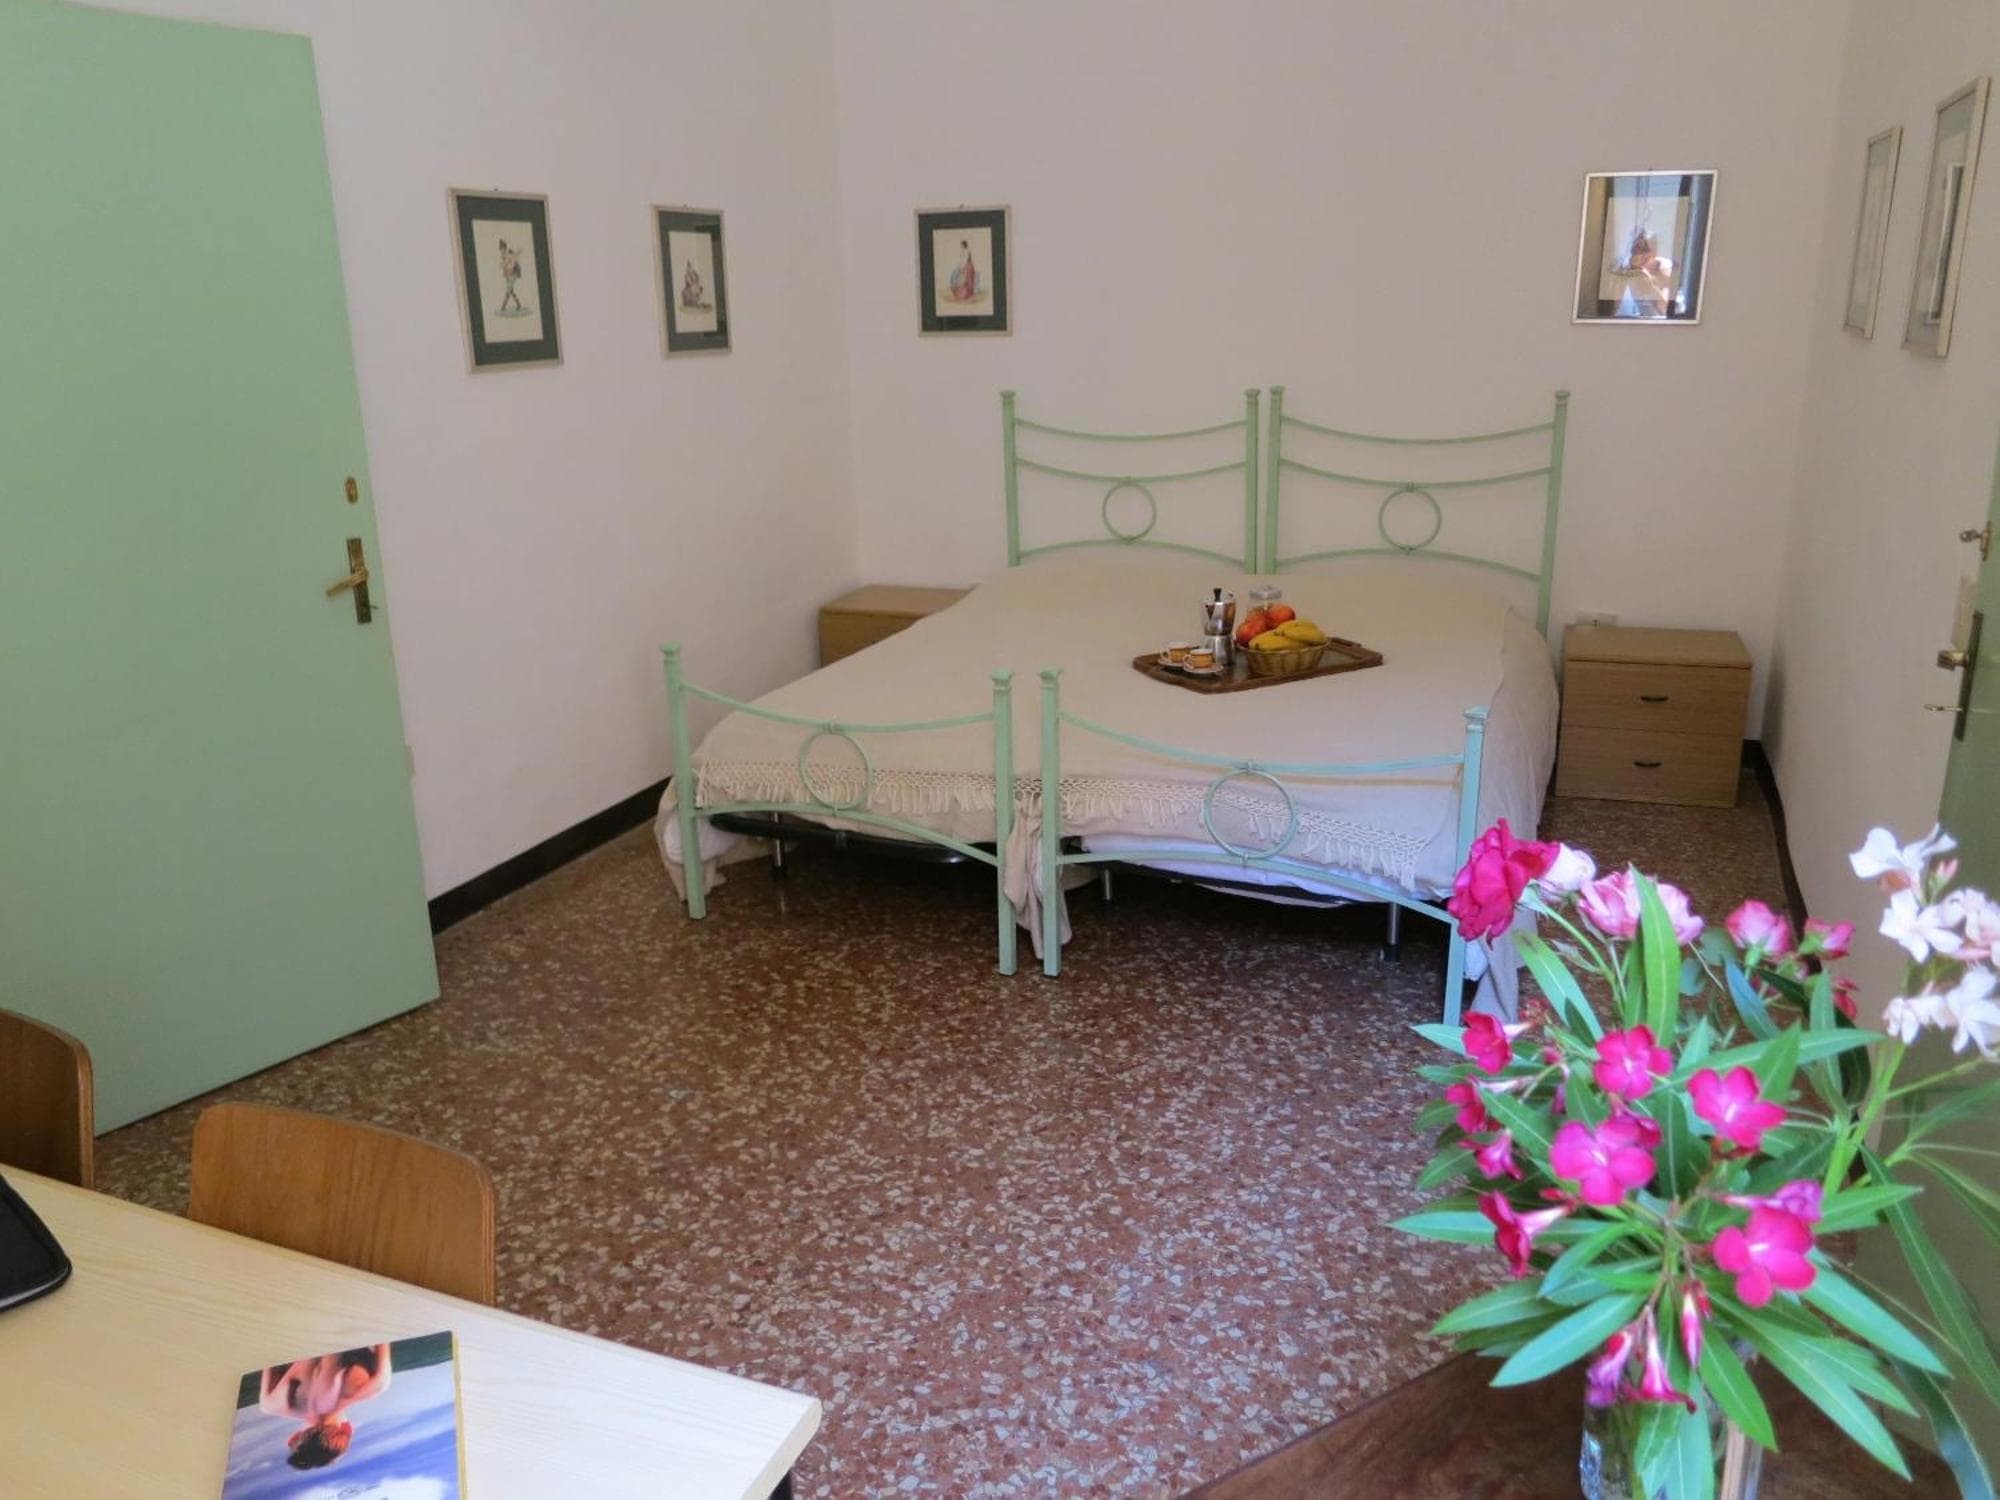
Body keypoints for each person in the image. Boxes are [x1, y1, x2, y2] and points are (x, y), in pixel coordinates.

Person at [258, 1343, 393, 1470]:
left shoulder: (375, 1385)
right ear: (296, 1435)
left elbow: (383, 1341)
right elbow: (268, 1350)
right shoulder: (270, 1405)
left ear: (344, 1429)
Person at [496, 238, 525, 315]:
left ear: (504, 248)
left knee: (508, 290)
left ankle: (503, 306)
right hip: (507, 274)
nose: (501, 250)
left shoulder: (509, 253)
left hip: (513, 273)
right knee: (511, 290)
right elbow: (504, 264)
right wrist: (503, 265)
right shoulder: (503, 255)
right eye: (500, 249)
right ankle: (518, 304)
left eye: (502, 249)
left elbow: (513, 262)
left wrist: (508, 267)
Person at [947, 238, 978, 302]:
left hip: (967, 266)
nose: (961, 246)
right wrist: (959, 266)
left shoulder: (966, 251)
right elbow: (962, 260)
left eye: (961, 245)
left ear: (964, 245)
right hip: (968, 266)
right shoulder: (964, 251)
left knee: (965, 280)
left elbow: (965, 260)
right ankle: (966, 294)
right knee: (964, 280)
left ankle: (965, 295)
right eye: (961, 245)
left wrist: (961, 267)